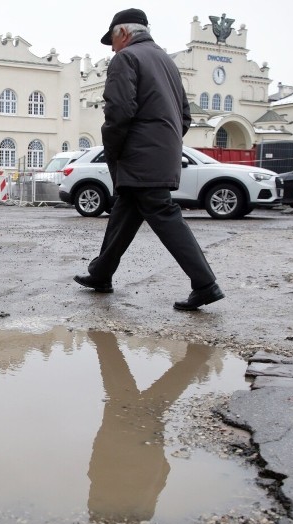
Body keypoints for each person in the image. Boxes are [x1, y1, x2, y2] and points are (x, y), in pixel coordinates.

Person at [73, 8, 224, 311]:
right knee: (124, 214)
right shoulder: (167, 61)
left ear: (123, 34)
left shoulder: (126, 58)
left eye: (112, 42)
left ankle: (205, 284)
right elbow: (184, 117)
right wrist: (164, 143)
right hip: (159, 153)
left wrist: (113, 150)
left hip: (138, 155)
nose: (112, 49)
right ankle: (101, 274)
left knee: (164, 214)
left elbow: (119, 111)